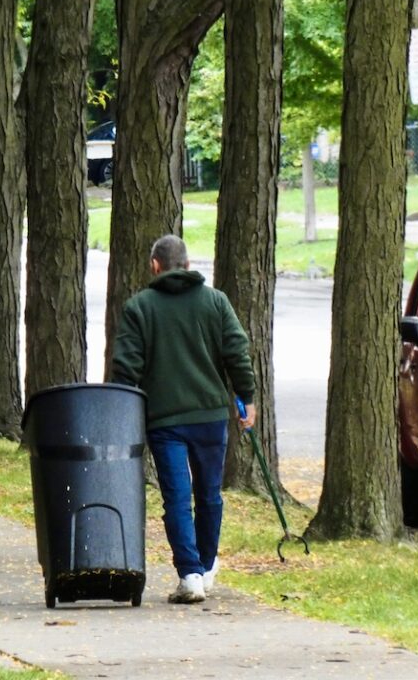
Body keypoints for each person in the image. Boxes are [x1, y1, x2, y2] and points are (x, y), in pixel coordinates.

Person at [111, 234, 256, 604]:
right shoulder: (216, 302)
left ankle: (190, 574)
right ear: (188, 265)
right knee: (209, 495)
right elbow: (237, 353)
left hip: (165, 421)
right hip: (210, 417)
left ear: (154, 266)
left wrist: (120, 412)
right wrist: (247, 398)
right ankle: (206, 567)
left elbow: (126, 368)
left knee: (177, 498)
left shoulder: (139, 308)